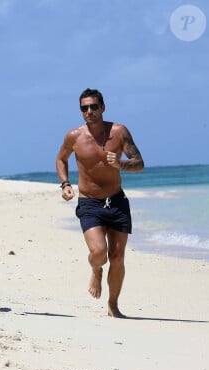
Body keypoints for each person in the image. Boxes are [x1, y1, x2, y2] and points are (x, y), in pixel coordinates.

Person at [55, 88, 144, 318]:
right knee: (99, 253)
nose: (90, 111)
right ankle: (96, 269)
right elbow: (60, 159)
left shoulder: (119, 132)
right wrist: (65, 184)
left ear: (103, 107)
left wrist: (122, 164)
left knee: (117, 257)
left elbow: (139, 163)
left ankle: (113, 305)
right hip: (89, 203)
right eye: (85, 108)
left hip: (116, 201)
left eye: (94, 106)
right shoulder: (74, 137)